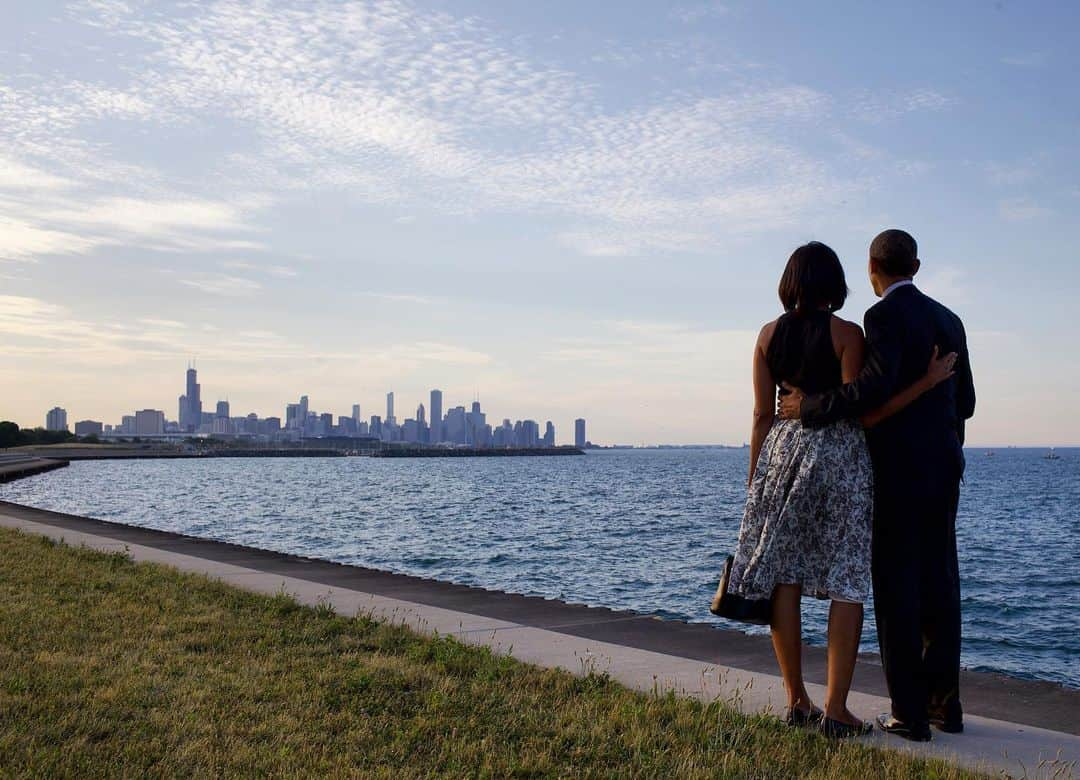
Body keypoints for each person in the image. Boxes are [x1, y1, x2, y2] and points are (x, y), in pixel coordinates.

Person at [728, 241, 956, 739]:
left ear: (788, 282)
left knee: (783, 576)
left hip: (781, 456)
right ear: (836, 284)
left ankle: (796, 700)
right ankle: (836, 707)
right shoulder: (848, 333)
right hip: (840, 460)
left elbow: (762, 415)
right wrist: (926, 383)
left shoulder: (766, 336)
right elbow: (863, 409)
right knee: (847, 578)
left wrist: (755, 481)